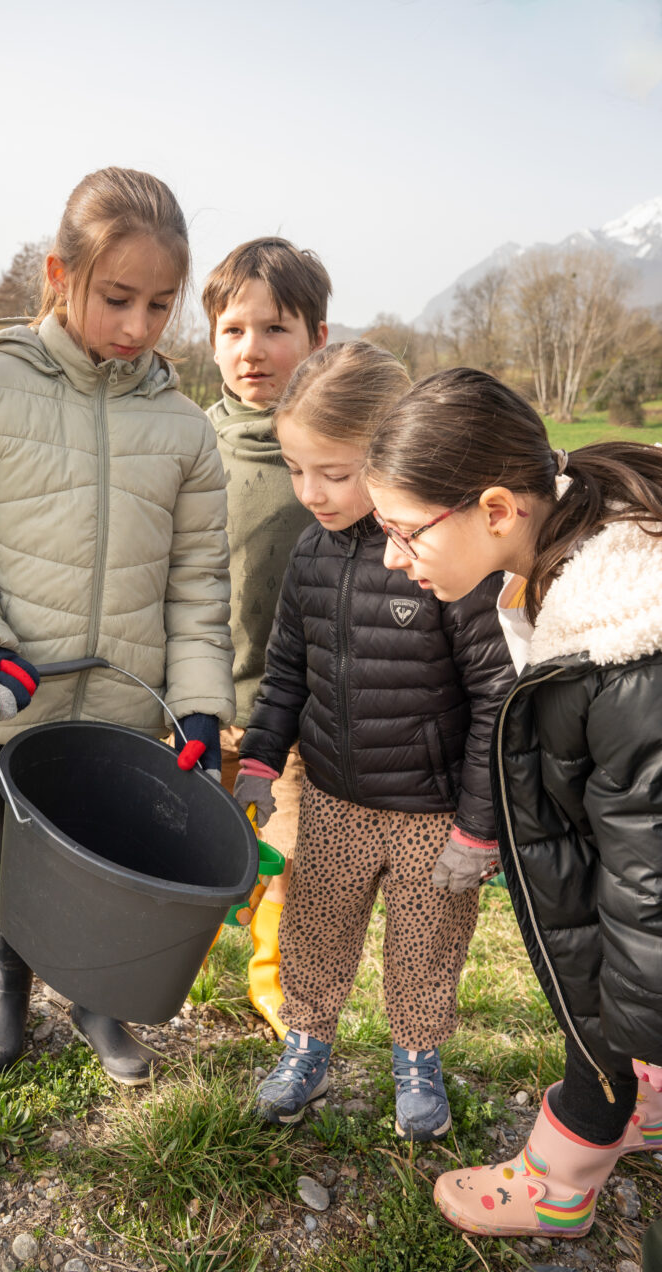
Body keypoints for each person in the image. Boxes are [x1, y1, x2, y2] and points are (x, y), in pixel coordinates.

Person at [0, 167, 234, 1086]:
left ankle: (98, 995)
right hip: (15, 687)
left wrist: (201, 706)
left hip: (127, 694)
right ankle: (6, 985)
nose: (136, 327)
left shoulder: (183, 430)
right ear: (61, 273)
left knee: (114, 847)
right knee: (27, 849)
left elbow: (198, 583)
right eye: (117, 298)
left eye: (160, 306)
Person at [364, 366, 662, 1238]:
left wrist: (632, 1030)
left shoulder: (626, 658)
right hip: (615, 923)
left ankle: (564, 1183)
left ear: (497, 510)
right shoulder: (576, 562)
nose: (390, 556)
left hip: (634, 943)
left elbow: (650, 896)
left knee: (613, 1016)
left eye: (402, 531)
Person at [233, 343, 515, 1133]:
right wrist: (259, 760)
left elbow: (496, 693)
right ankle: (308, 1045)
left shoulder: (448, 561)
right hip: (331, 798)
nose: (310, 492)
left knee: (426, 947)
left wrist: (477, 827)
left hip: (431, 813)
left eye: (334, 471)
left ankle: (417, 1058)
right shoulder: (311, 554)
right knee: (314, 928)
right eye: (296, 469)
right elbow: (286, 667)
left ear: (388, 450)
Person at [201, 237, 329, 1036]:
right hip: (203, 698)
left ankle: (272, 975)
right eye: (234, 329)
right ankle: (175, 947)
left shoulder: (344, 454)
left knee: (292, 852)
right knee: (201, 841)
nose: (254, 349)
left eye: (276, 328)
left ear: (318, 337)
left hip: (297, 715)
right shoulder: (186, 442)